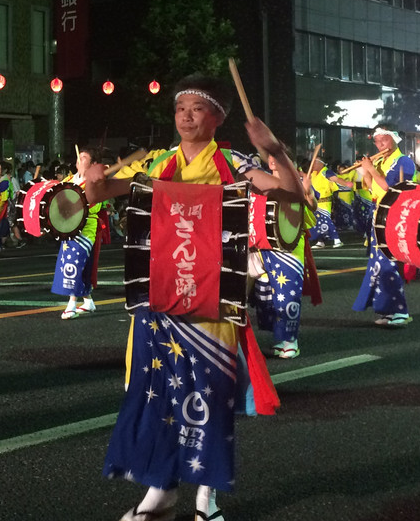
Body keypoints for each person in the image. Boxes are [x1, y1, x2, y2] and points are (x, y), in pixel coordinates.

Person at [83, 74, 307, 521]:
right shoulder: (160, 162)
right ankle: (159, 492)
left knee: (208, 391)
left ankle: (208, 494)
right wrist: (93, 179)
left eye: (197, 107)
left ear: (218, 118)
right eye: (180, 107)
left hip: (211, 295)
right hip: (160, 295)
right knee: (157, 392)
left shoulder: (234, 162)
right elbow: (99, 193)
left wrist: (276, 150)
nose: (186, 115)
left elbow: (292, 195)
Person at [252, 152, 317, 359]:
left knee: (287, 295)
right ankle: (277, 337)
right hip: (263, 244)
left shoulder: (298, 181)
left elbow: (312, 208)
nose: (272, 160)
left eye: (278, 156)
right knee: (265, 295)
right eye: (270, 156)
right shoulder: (261, 179)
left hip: (290, 247)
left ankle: (289, 341)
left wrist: (307, 193)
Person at [353, 124, 416, 328]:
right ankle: (387, 309)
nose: (380, 145)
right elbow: (372, 187)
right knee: (378, 265)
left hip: (394, 215)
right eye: (377, 141)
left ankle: (400, 310)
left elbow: (391, 188)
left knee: (389, 263)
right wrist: (367, 171)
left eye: (385, 140)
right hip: (378, 214)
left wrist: (371, 168)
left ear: (394, 140)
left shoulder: (403, 161)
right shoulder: (381, 161)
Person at [51, 147, 104, 319]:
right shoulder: (69, 179)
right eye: (79, 157)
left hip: (85, 229)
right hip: (68, 228)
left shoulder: (95, 182)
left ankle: (72, 305)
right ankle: (87, 301)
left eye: (84, 157)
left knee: (73, 264)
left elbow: (95, 205)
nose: (79, 160)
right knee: (78, 264)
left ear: (93, 163)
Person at [308, 158, 343, 248]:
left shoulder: (327, 172)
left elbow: (335, 185)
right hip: (315, 202)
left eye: (315, 162)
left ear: (321, 164)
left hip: (325, 201)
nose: (314, 164)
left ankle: (337, 239)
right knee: (317, 222)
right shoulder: (313, 174)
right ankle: (321, 241)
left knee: (326, 220)